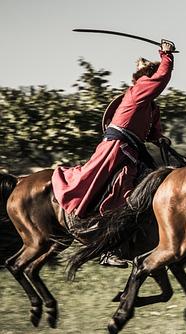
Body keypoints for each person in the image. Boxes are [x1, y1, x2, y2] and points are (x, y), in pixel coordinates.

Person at [52, 40, 176, 266]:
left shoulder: (151, 105)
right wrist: (166, 56)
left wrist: (160, 139)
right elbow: (160, 79)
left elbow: (151, 131)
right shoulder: (139, 89)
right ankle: (108, 247)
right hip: (117, 148)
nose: (152, 77)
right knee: (121, 190)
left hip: (133, 149)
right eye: (151, 73)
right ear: (144, 76)